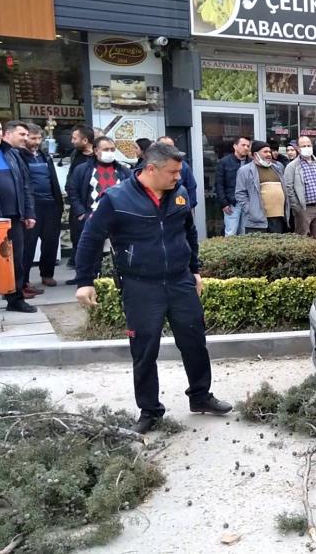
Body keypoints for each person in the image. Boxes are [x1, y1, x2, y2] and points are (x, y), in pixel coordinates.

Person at [74, 142, 231, 433]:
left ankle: (200, 397)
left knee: (195, 342)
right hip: (140, 286)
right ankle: (150, 411)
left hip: (179, 281)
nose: (177, 178)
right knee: (144, 351)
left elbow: (189, 233)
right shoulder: (116, 199)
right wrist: (85, 281)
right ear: (150, 169)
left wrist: (194, 270)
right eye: (172, 172)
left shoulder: (179, 195)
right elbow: (90, 238)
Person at [65, 136, 133, 285]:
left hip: (118, 220)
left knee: (119, 252)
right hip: (92, 218)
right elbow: (73, 191)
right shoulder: (83, 169)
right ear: (96, 151)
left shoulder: (123, 170)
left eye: (112, 149)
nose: (110, 152)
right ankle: (89, 282)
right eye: (106, 149)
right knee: (91, 253)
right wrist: (81, 213)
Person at [0, 119, 38, 312]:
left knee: (16, 259)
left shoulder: (12, 154)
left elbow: (26, 185)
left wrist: (29, 212)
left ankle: (15, 299)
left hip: (13, 217)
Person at [21, 123, 63, 291]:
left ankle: (47, 274)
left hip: (50, 204)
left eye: (39, 138)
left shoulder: (44, 156)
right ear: (25, 138)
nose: (37, 141)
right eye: (33, 138)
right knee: (28, 245)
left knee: (51, 242)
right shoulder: (19, 156)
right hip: (32, 206)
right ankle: (23, 280)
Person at [235, 141, 289, 234]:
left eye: (269, 152)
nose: (269, 154)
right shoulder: (245, 170)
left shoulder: (278, 168)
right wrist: (251, 210)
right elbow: (240, 194)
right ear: (256, 154)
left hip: (278, 219)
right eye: (265, 152)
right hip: (257, 221)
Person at [283, 136, 316, 239]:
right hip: (304, 209)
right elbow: (288, 188)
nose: (307, 148)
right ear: (298, 149)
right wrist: (298, 208)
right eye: (304, 146)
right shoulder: (292, 166)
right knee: (302, 239)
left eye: (309, 145)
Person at [66, 125, 96, 268]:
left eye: (74, 138)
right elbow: (71, 184)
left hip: (95, 206)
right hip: (78, 207)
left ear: (85, 140)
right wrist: (79, 211)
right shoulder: (76, 155)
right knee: (77, 238)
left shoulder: (98, 159)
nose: (72, 141)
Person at [216, 136, 252, 236]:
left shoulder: (252, 162)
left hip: (248, 202)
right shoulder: (224, 162)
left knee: (245, 233)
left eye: (248, 146)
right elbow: (219, 184)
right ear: (235, 146)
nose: (246, 148)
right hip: (232, 203)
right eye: (243, 145)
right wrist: (224, 203)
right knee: (231, 232)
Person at [154, 137, 198, 208]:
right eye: (166, 147)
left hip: (179, 209)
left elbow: (191, 187)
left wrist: (187, 207)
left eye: (171, 147)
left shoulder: (183, 166)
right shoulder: (151, 166)